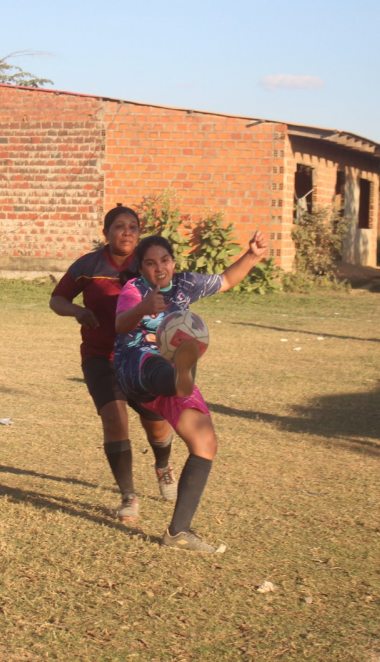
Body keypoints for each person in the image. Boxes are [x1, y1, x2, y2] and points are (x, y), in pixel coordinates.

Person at [114, 231, 268, 552]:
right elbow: (120, 325)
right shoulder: (134, 289)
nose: (159, 268)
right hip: (134, 364)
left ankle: (177, 532)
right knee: (154, 360)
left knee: (205, 442)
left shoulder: (186, 284)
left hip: (173, 368)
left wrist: (252, 256)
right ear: (141, 268)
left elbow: (226, 280)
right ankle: (176, 376)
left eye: (165, 261)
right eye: (151, 263)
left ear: (173, 262)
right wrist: (143, 307)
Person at [49, 206, 175, 522]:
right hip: (100, 357)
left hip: (141, 355)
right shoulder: (88, 265)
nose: (127, 232)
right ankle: (129, 497)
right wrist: (77, 311)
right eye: (119, 226)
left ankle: (163, 466)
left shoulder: (147, 263)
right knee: (115, 419)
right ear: (106, 232)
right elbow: (57, 299)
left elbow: (174, 293)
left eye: (133, 226)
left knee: (156, 421)